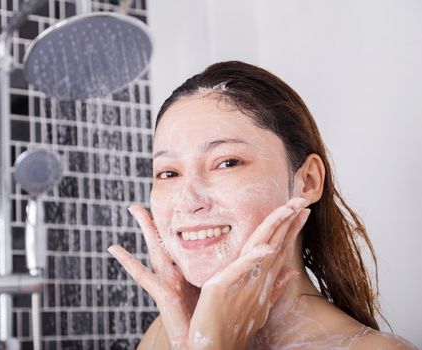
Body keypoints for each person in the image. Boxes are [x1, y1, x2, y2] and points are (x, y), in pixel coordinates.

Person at [108, 61, 417, 349]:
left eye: (227, 162)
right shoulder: (163, 336)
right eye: (168, 173)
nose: (188, 202)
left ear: (307, 181)